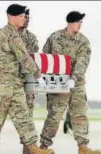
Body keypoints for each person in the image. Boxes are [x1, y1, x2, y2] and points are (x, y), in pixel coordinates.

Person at [0, 4, 53, 154]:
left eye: (24, 16)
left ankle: (32, 147)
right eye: (21, 16)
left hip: (13, 82)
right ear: (12, 17)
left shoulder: (13, 34)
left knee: (23, 115)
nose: (24, 18)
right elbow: (24, 58)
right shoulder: (10, 34)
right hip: (1, 84)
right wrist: (38, 75)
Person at [39, 11, 101, 154]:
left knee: (80, 114)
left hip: (76, 84)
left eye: (81, 22)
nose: (80, 24)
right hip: (58, 83)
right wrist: (43, 77)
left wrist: (73, 79)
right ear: (70, 22)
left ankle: (83, 147)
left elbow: (82, 62)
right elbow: (45, 57)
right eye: (78, 21)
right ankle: (43, 147)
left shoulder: (83, 41)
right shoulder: (54, 37)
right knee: (55, 115)